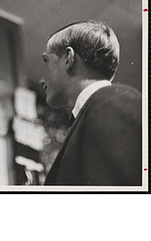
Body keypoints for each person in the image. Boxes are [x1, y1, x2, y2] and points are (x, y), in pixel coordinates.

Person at [40, 20, 142, 186]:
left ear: (68, 58)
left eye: (46, 61)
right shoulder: (100, 109)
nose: (41, 79)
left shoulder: (113, 104)